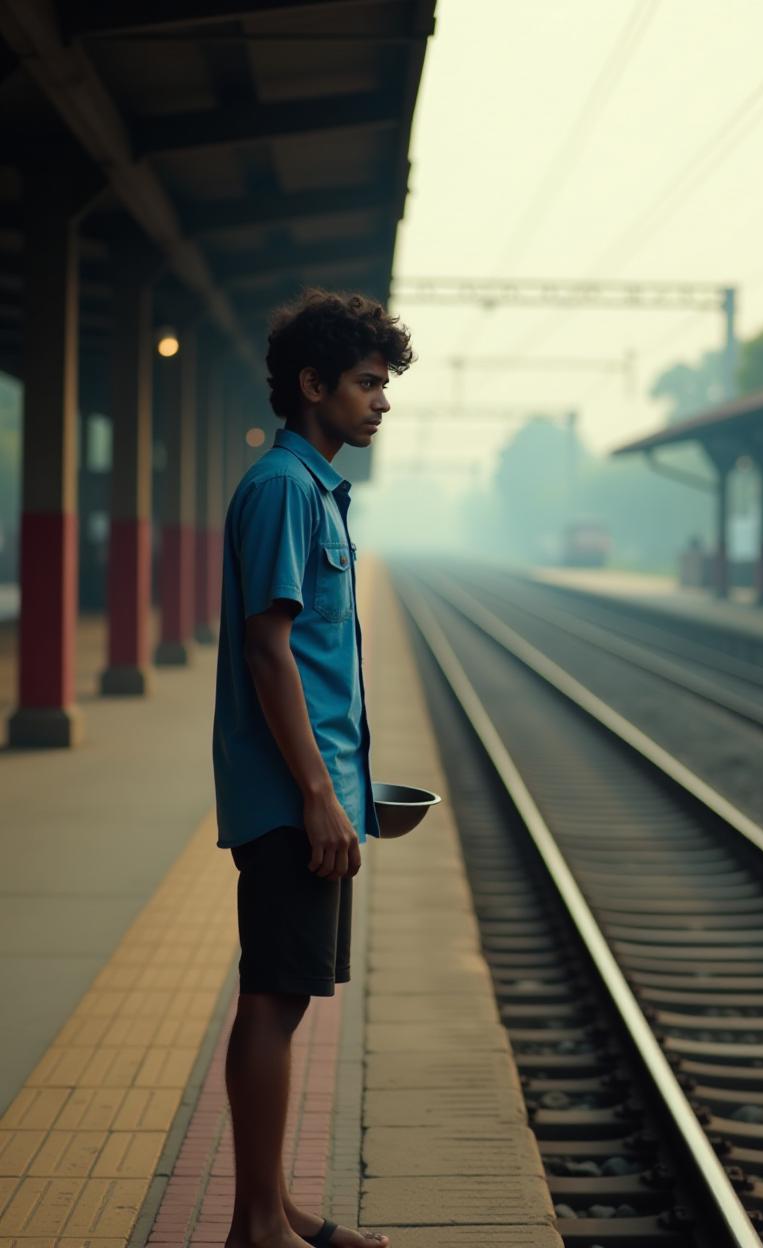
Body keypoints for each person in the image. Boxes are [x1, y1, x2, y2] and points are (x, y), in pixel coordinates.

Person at [212, 288, 414, 1248]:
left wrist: (347, 789)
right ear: (312, 385)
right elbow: (269, 652)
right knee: (272, 996)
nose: (382, 401)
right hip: (294, 800)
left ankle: (275, 1206)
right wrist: (320, 797)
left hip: (314, 792)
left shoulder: (311, 488)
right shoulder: (286, 490)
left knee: (285, 998)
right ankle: (258, 1227)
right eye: (369, 383)